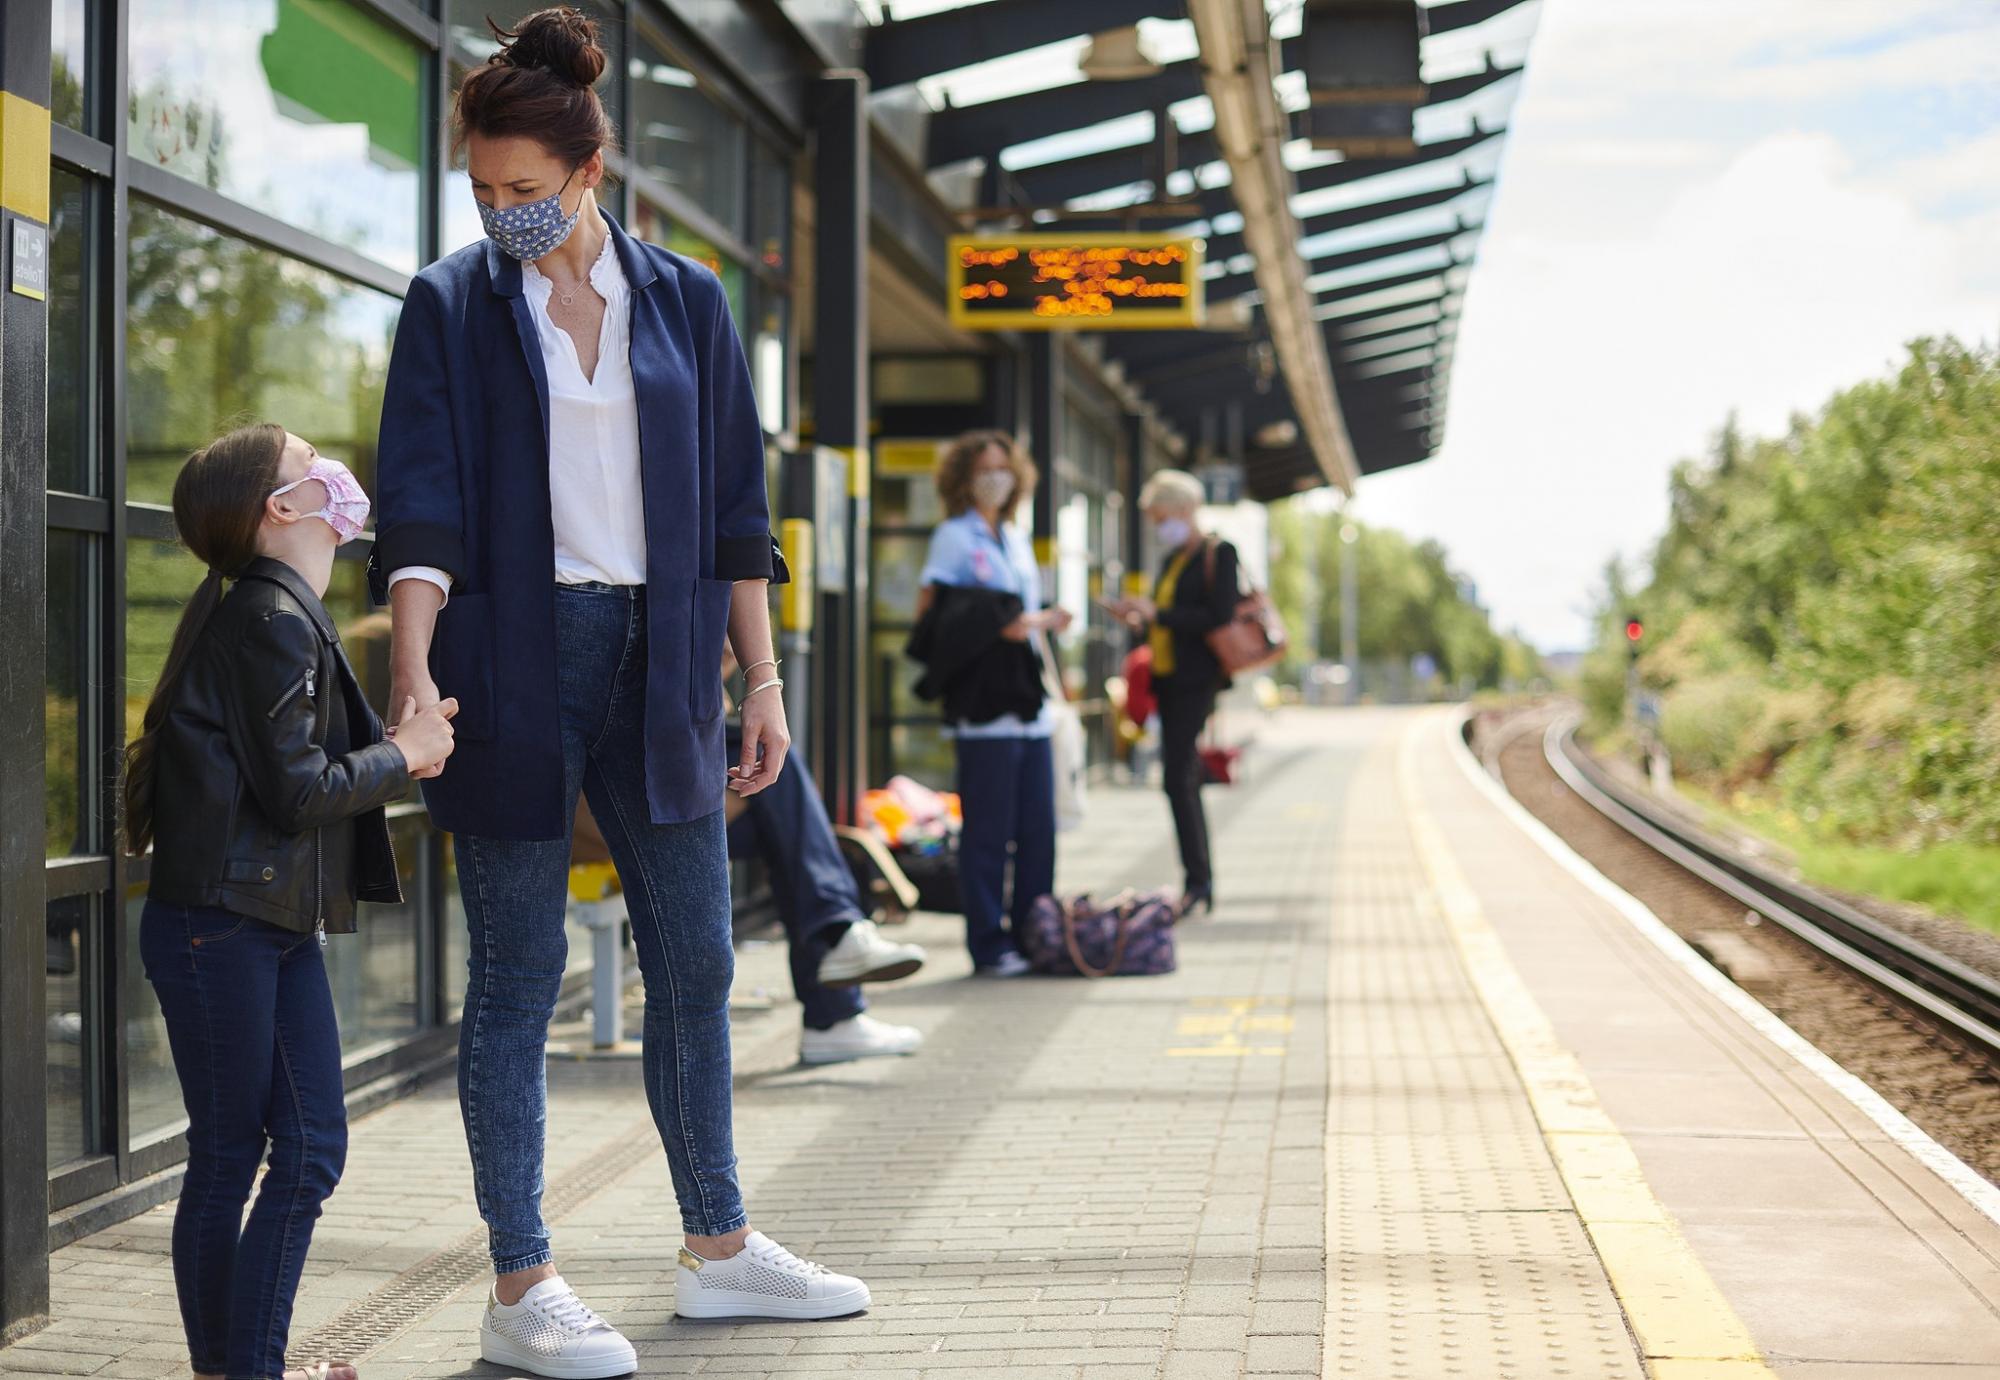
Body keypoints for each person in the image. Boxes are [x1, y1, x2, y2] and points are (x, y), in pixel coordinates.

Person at [371, 11, 867, 1375]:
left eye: (524, 193)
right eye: (482, 194)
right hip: (507, 667)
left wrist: (759, 680)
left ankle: (720, 1250)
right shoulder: (449, 306)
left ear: (591, 174)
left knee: (699, 963)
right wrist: (412, 676)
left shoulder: (690, 302)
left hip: (665, 667)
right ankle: (522, 1285)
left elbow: (730, 517)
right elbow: (419, 513)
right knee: (519, 977)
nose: (502, 216)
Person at [126, 424, 460, 1380]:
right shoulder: (270, 618)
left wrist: (406, 739)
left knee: (299, 1150)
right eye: (314, 468)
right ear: (284, 508)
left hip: (261, 926)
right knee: (243, 1158)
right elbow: (298, 791)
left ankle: (244, 1368)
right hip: (223, 929)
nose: (337, 480)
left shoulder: (275, 612)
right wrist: (407, 752)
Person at [907, 430, 1072, 976]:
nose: (995, 480)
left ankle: (1033, 932)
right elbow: (934, 615)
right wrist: (993, 622)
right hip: (983, 706)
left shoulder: (1016, 538)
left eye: (1003, 469)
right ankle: (987, 943)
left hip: (1028, 702)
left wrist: (1039, 625)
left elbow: (1019, 613)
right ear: (964, 478)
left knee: (1036, 831)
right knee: (987, 832)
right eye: (984, 471)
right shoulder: (954, 537)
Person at [718, 651, 927, 1065]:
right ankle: (834, 1003)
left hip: (669, 784)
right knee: (775, 775)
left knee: (801, 844)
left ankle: (836, 1006)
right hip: (613, 797)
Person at [1107, 469, 1237, 916]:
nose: (1159, 525)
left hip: (1195, 680)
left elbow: (1216, 616)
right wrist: (1139, 616)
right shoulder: (1173, 559)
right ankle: (1198, 881)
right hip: (1168, 678)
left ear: (1184, 509)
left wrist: (1158, 612)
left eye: (1162, 516)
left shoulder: (1219, 554)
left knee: (1178, 777)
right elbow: (1168, 616)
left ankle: (1199, 881)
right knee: (1179, 778)